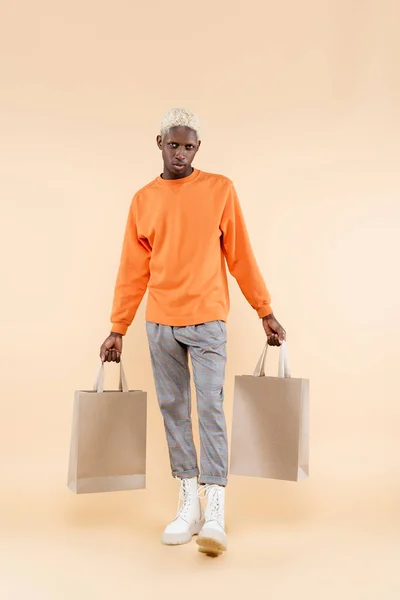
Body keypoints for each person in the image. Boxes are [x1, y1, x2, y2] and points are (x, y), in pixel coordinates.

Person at [99, 108, 286, 555]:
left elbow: (240, 255)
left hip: (207, 321)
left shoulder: (219, 189)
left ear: (197, 148)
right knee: (173, 411)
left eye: (188, 146)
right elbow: (132, 270)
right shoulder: (143, 199)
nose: (180, 153)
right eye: (172, 144)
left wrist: (265, 309)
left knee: (210, 409)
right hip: (160, 323)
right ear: (159, 142)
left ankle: (215, 507)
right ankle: (188, 505)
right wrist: (117, 327)